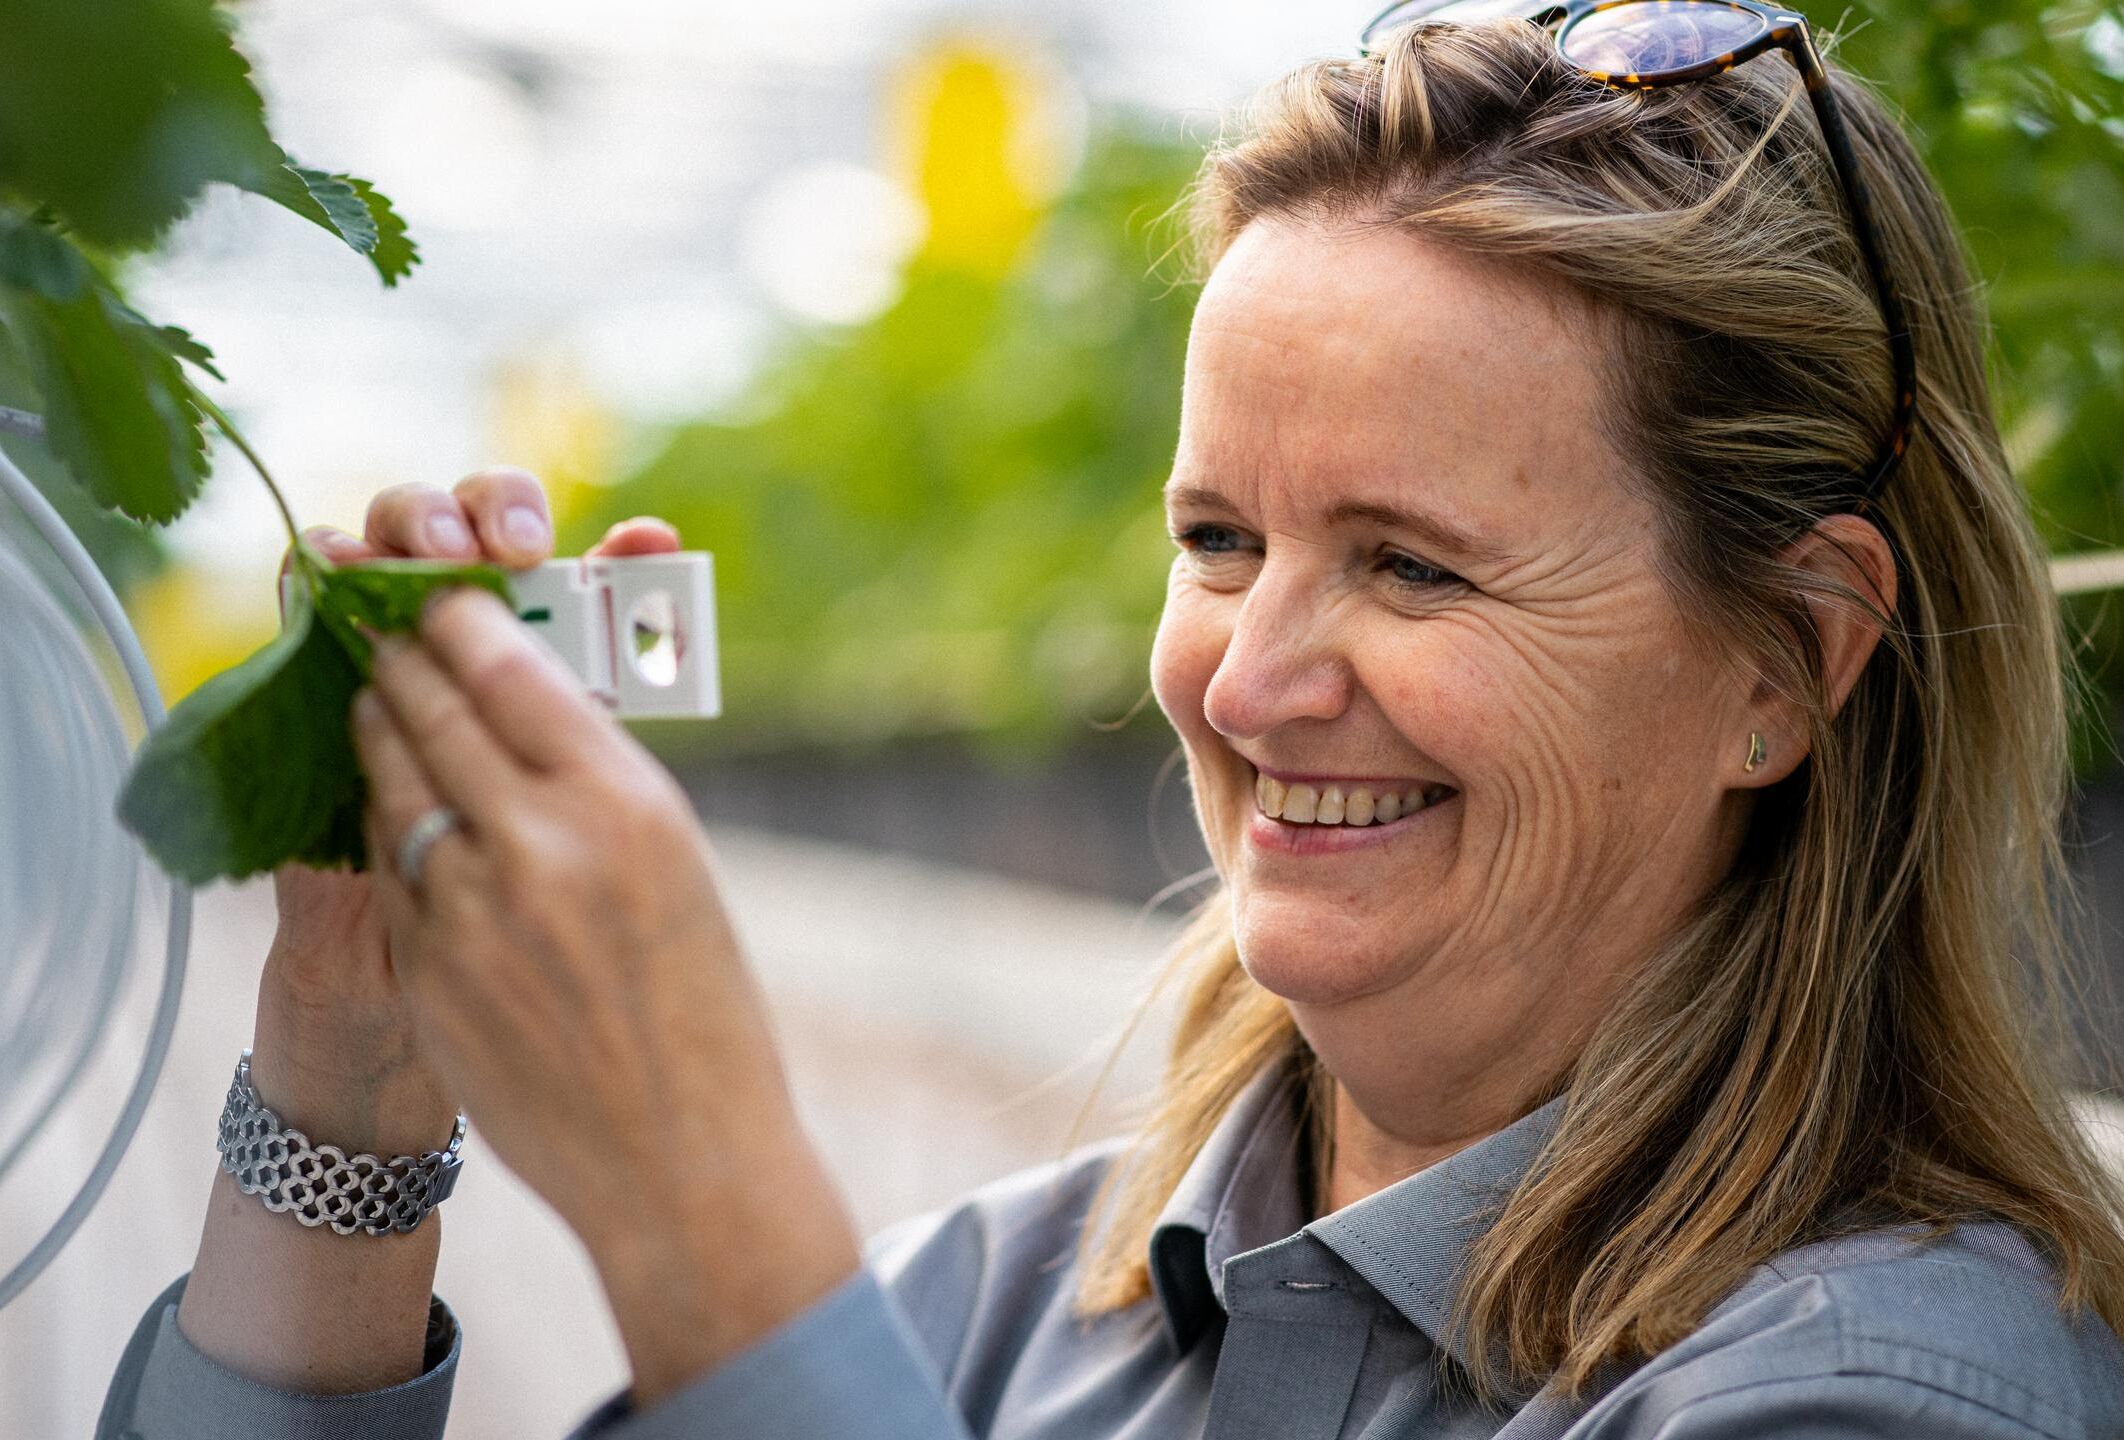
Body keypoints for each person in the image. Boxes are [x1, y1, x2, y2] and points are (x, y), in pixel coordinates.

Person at [99, 6, 2124, 1438]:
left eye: (1413, 566)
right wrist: (350, 1085)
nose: (1246, 682)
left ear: (1787, 661)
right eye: (1221, 538)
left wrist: (709, 1217)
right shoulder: (1007, 1305)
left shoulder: (1885, 1392)